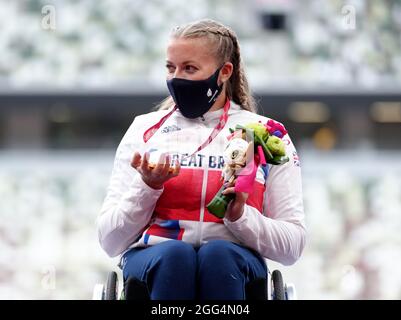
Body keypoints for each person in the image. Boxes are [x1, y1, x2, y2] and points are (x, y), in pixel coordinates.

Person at [97, 19, 306, 300]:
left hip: (234, 265)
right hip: (155, 261)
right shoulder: (145, 130)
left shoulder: (268, 134)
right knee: (175, 255)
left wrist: (240, 217)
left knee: (218, 255)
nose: (177, 78)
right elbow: (110, 241)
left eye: (190, 68)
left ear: (224, 72)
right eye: (171, 68)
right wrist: (147, 188)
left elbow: (292, 247)